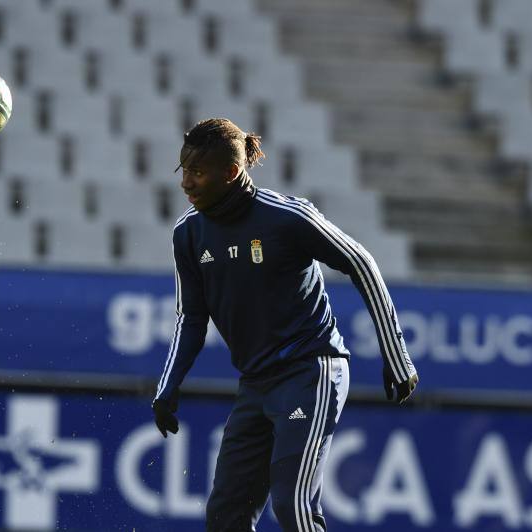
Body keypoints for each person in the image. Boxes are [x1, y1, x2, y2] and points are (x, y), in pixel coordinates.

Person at [152, 117, 418, 532]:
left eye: (197, 172)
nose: (185, 183)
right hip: (256, 383)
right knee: (224, 517)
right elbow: (191, 317)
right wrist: (168, 386)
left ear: (232, 173)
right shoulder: (187, 234)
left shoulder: (285, 217)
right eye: (182, 170)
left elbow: (361, 262)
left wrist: (396, 356)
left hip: (311, 370)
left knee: (293, 507)